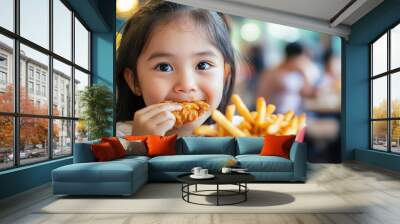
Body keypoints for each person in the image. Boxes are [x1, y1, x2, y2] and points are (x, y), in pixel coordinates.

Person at [116, 0, 236, 137]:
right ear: (134, 81)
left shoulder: (240, 135)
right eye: (164, 67)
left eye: (203, 65)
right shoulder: (119, 138)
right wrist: (139, 145)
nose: (186, 85)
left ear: (224, 75)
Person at [257, 42, 316, 114]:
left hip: (295, 113)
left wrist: (304, 74)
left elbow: (308, 93)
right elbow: (262, 97)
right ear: (296, 58)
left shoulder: (296, 73)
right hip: (278, 115)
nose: (304, 61)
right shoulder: (274, 73)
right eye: (303, 57)